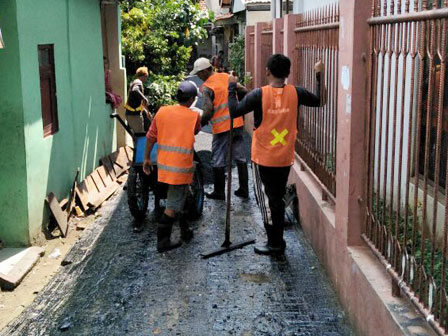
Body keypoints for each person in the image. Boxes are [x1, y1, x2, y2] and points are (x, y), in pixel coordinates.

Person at [228, 54, 326, 255]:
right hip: (284, 156)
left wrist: (231, 87)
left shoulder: (259, 95)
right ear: (288, 73)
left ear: (267, 71)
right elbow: (318, 100)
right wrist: (318, 74)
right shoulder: (295, 93)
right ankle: (277, 241)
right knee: (277, 197)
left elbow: (234, 111)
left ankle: (275, 243)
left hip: (263, 157)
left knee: (266, 200)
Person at [143, 81, 201, 253]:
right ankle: (163, 242)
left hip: (164, 167)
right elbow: (196, 131)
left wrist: (146, 158)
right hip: (180, 169)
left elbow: (151, 136)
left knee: (183, 196)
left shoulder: (162, 111)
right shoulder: (194, 117)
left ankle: (185, 230)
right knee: (172, 205)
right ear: (191, 99)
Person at [190, 57, 249, 200]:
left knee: (218, 158)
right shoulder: (227, 77)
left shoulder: (207, 87)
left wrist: (200, 124)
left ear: (205, 71)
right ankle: (243, 189)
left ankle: (219, 192)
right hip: (237, 124)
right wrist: (238, 106)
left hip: (222, 128)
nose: (198, 77)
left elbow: (208, 110)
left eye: (199, 74)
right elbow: (243, 90)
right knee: (240, 157)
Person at [125, 66, 150, 133]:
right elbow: (135, 90)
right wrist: (144, 98)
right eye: (146, 77)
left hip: (132, 114)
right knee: (139, 135)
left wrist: (145, 110)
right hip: (134, 115)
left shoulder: (135, 81)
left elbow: (136, 99)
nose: (146, 79)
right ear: (145, 75)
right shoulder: (138, 82)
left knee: (137, 135)